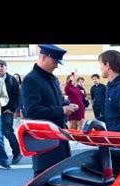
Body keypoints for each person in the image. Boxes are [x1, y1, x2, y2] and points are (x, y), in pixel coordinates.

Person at [21, 44, 79, 176]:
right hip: (44, 142)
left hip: (58, 138)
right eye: (54, 62)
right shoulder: (31, 80)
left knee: (60, 179)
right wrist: (62, 110)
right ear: (43, 57)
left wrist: (68, 105)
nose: (56, 66)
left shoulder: (52, 78)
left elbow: (57, 101)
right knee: (44, 181)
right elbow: (32, 111)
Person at [0, 59, 22, 165]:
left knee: (7, 131)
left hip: (7, 111)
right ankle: (1, 157)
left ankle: (17, 153)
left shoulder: (11, 80)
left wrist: (12, 109)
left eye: (2, 65)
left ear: (6, 68)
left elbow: (17, 96)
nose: (0, 67)